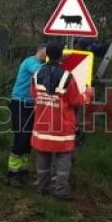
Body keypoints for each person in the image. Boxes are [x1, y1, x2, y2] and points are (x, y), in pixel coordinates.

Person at [30, 42, 92, 200]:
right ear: (60, 56)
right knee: (63, 158)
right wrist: (88, 94)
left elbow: (34, 95)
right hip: (62, 127)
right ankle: (61, 191)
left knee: (43, 156)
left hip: (42, 125)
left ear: (48, 54)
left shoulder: (36, 74)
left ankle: (42, 188)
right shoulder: (67, 76)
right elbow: (76, 101)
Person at [6, 43, 47, 186]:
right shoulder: (31, 62)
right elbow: (40, 73)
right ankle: (12, 173)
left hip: (31, 105)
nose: (47, 54)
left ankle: (22, 169)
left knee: (29, 139)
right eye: (46, 51)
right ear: (40, 50)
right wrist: (56, 66)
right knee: (21, 137)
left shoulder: (40, 63)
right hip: (20, 103)